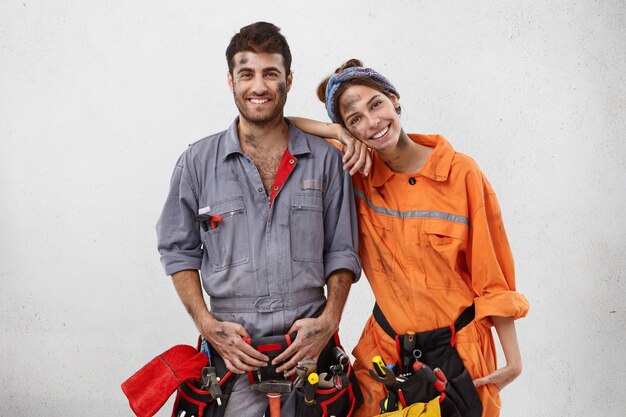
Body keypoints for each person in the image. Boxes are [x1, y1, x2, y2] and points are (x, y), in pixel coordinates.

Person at [290, 59, 529, 417]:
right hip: (385, 353)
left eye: (376, 105)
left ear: (394, 100)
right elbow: (281, 127)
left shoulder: (460, 173)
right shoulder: (357, 172)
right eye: (355, 119)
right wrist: (336, 133)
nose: (372, 122)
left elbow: (491, 275)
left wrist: (514, 361)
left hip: (457, 354)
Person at [156, 24, 361, 417]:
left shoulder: (327, 160)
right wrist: (206, 324)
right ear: (231, 80)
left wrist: (329, 319)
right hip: (233, 354)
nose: (259, 86)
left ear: (288, 80)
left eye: (271, 73)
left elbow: (342, 250)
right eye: (247, 74)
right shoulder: (197, 164)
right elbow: (177, 251)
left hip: (308, 348)